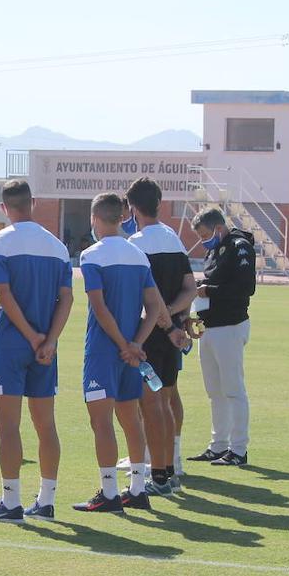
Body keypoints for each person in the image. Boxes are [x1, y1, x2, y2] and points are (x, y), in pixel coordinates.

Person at [0, 180, 73, 522]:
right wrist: (49, 341)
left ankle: (11, 502)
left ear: (4, 208)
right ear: (33, 202)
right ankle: (46, 501)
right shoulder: (58, 246)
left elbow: (4, 294)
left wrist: (32, 336)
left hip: (11, 344)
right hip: (46, 347)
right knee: (46, 426)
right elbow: (67, 299)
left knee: (8, 427)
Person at [73, 192, 165, 513]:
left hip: (103, 351)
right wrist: (137, 344)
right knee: (131, 420)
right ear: (122, 218)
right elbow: (154, 307)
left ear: (95, 218)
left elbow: (99, 308)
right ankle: (137, 490)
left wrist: (124, 345)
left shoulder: (91, 255)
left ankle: (110, 494)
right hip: (132, 354)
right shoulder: (138, 255)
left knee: (102, 422)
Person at [125, 178, 193, 495]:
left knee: (151, 405)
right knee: (164, 402)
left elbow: (145, 301)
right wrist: (172, 317)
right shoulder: (174, 239)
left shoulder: (136, 246)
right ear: (159, 204)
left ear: (133, 208)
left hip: (150, 336)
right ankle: (169, 469)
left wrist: (161, 316)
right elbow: (190, 290)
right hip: (172, 336)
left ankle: (160, 476)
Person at [186, 208, 256, 467]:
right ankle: (218, 446)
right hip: (210, 327)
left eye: (205, 234)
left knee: (233, 389)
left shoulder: (239, 246)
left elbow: (245, 287)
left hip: (230, 325)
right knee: (214, 391)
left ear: (217, 228)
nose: (204, 240)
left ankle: (238, 449)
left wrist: (209, 291)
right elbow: (213, 280)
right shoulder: (214, 250)